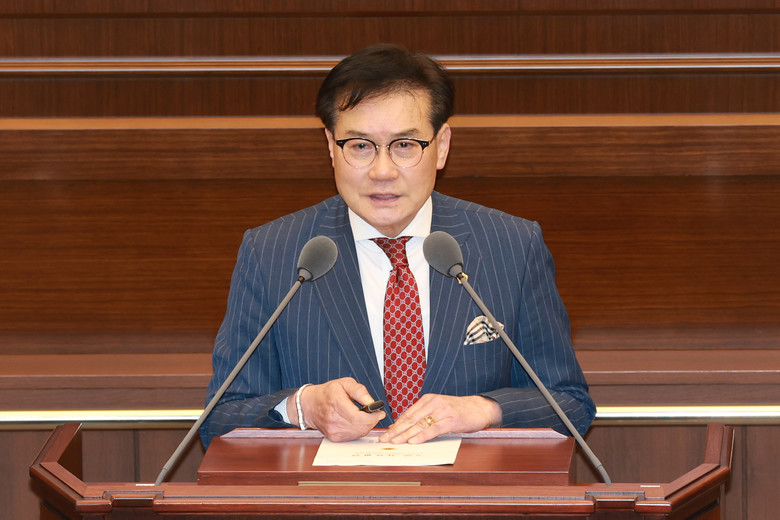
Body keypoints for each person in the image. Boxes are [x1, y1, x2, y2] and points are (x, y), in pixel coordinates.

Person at [200, 43, 595, 448]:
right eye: (360, 146)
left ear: (441, 146)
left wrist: (485, 410)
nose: (382, 171)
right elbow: (219, 420)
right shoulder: (271, 253)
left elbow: (571, 406)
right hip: (330, 489)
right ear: (331, 146)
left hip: (467, 487)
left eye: (405, 145)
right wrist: (302, 407)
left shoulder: (511, 246)